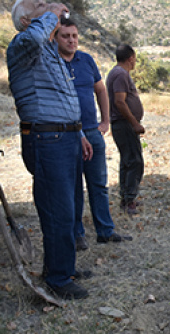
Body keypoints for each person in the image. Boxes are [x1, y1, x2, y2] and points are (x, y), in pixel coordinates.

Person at [7, 0, 93, 299]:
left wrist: (79, 133)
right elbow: (33, 37)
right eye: (38, 5)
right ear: (27, 20)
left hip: (65, 137)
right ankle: (57, 277)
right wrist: (52, 14)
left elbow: (63, 97)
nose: (46, 3)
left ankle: (63, 266)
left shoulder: (50, 51)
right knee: (58, 209)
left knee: (69, 206)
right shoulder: (22, 45)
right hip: (46, 139)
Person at [55, 19, 132, 248]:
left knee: (99, 184)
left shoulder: (86, 60)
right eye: (65, 36)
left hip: (92, 130)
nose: (71, 40)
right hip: (67, 134)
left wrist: (105, 120)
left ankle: (105, 231)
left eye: (74, 36)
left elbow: (100, 90)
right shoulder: (52, 62)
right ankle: (77, 234)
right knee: (73, 186)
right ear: (56, 38)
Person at [106, 44, 144, 215]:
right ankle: (129, 199)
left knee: (127, 160)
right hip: (124, 123)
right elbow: (119, 101)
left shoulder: (117, 73)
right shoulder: (121, 74)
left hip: (122, 123)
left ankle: (126, 197)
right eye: (134, 59)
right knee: (134, 161)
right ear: (131, 58)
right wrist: (134, 123)